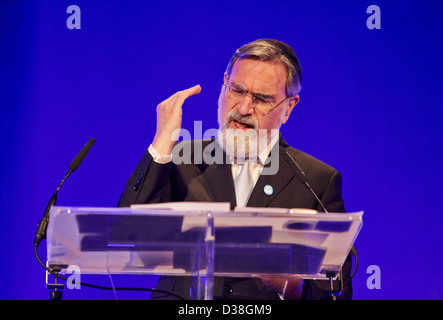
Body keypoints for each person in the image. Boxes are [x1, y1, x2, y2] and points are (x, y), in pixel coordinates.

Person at [118, 39, 352, 300]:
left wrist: (292, 287)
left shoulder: (315, 181)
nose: (243, 109)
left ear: (289, 107)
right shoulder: (181, 158)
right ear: (224, 82)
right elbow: (125, 237)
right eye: (237, 90)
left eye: (262, 99)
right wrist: (161, 141)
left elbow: (337, 291)